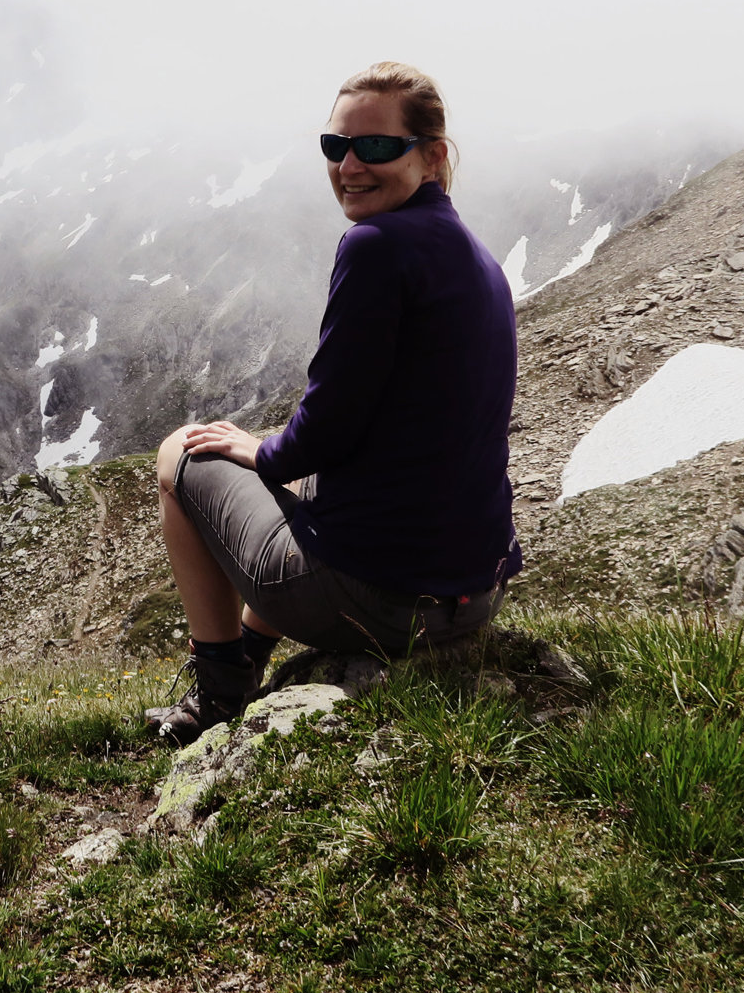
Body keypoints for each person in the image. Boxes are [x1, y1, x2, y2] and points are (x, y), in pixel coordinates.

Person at [144, 62, 521, 744]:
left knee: (183, 452)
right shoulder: (474, 254)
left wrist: (262, 451)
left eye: (376, 147)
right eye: (335, 146)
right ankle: (249, 664)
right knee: (287, 470)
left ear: (432, 156)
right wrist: (272, 452)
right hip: (472, 594)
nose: (350, 164)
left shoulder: (375, 246)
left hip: (380, 605)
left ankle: (219, 695)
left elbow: (324, 430)